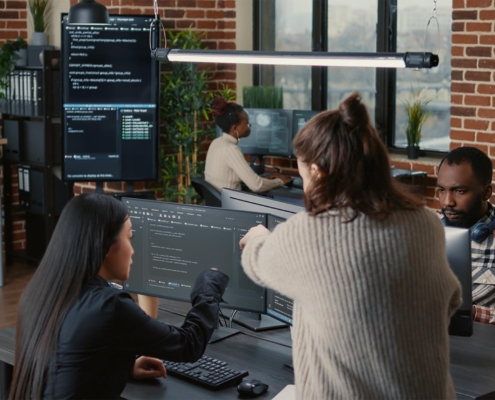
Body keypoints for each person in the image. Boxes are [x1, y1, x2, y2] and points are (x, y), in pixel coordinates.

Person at [239, 92, 462, 399]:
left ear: (317, 171)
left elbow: (257, 260)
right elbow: (450, 299)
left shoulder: (308, 232)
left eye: (304, 175)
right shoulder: (425, 222)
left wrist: (257, 237)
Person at [9, 194, 229, 400]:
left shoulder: (42, 292)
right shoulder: (109, 305)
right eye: (129, 237)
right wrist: (209, 284)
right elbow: (188, 344)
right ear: (105, 245)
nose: (133, 250)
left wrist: (124, 367)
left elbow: (63, 363)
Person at [436, 146, 495, 324]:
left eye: (459, 191)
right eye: (442, 190)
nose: (447, 202)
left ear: (486, 192)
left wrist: (469, 313)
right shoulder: (427, 233)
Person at [204, 97, 292, 193]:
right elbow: (256, 186)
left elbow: (228, 178)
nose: (249, 127)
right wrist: (279, 182)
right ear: (235, 128)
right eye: (247, 124)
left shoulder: (216, 143)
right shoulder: (231, 149)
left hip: (219, 205)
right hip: (231, 206)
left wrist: (263, 179)